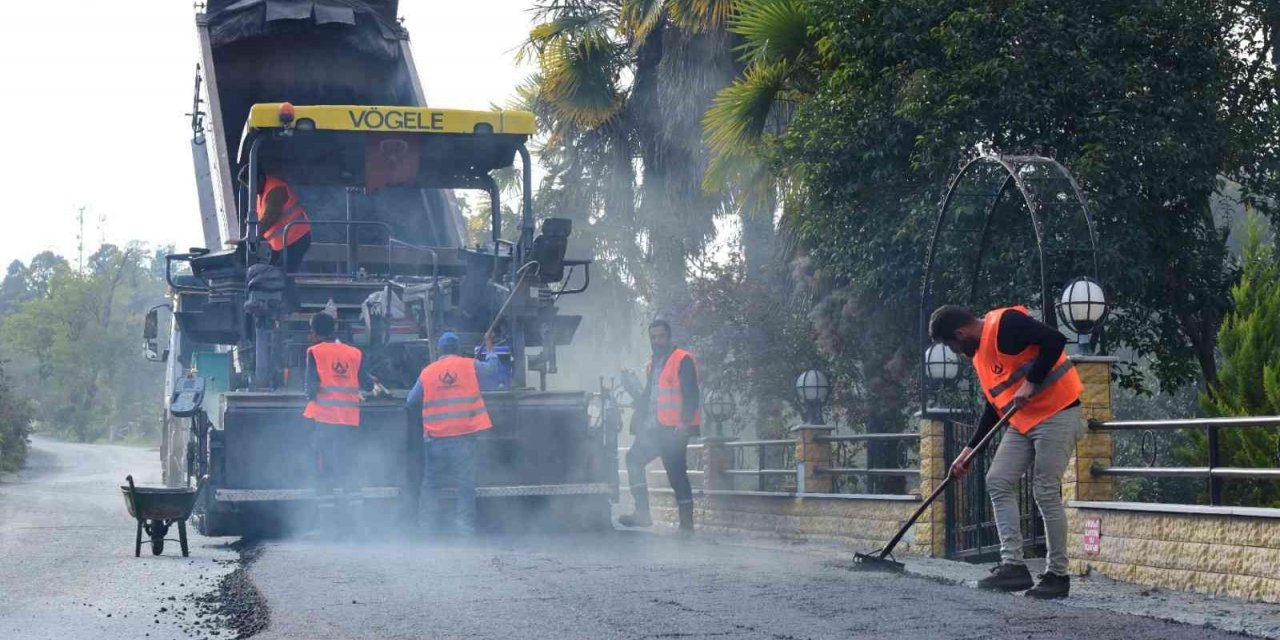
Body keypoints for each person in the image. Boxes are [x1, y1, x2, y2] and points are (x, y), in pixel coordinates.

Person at [928, 304, 1084, 599]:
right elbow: (994, 406)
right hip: (1023, 422)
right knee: (997, 479)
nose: (955, 351)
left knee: (1045, 490)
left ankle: (1058, 576)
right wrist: (968, 451)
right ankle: (1014, 567)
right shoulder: (979, 356)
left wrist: (1032, 381)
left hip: (1058, 412)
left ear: (961, 332)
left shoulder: (1007, 324)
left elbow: (1055, 340)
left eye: (952, 344)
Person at [405, 331, 502, 535]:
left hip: (435, 438)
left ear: (439, 350)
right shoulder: (470, 365)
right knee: (464, 483)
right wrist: (489, 346)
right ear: (458, 349)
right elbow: (494, 370)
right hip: (463, 436)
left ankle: (426, 528)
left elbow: (411, 401)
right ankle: (464, 529)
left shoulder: (427, 372)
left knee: (431, 483)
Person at [618, 319, 700, 535]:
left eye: (661, 336)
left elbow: (691, 393)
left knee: (676, 474)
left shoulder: (682, 359)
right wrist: (632, 391)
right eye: (653, 337)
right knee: (633, 459)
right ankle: (642, 513)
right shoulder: (652, 364)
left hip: (673, 429)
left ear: (668, 336)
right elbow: (650, 397)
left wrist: (684, 422)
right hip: (653, 429)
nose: (657, 340)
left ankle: (686, 526)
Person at [303, 312, 384, 531]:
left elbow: (310, 390)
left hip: (325, 421)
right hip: (349, 421)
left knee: (325, 470)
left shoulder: (315, 353)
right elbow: (366, 385)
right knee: (349, 469)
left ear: (314, 332)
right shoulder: (354, 353)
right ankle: (357, 525)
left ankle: (327, 526)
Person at [258, 174, 312, 272]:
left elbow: (270, 217)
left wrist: (254, 235)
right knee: (274, 275)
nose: (249, 188)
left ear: (258, 179)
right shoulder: (261, 192)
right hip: (281, 243)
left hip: (296, 238)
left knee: (284, 275)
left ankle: (288, 286)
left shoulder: (276, 190)